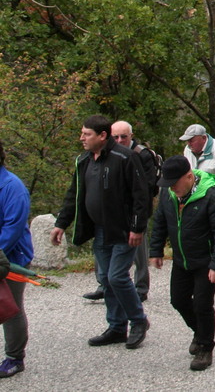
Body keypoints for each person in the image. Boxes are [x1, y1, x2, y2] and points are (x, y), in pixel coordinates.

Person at [51, 115, 150, 349]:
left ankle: (138, 321)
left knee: (116, 276)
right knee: (105, 278)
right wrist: (61, 223)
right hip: (100, 229)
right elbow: (73, 194)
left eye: (87, 134)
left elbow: (141, 195)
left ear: (102, 136)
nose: (81, 138)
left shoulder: (124, 158)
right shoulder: (84, 160)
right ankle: (116, 327)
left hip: (124, 230)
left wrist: (137, 227)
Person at [149, 156, 215, 371]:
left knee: (202, 304)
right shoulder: (169, 193)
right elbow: (160, 221)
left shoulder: (211, 195)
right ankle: (200, 331)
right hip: (181, 259)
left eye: (174, 183)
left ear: (189, 177)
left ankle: (206, 346)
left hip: (206, 260)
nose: (171, 188)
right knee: (178, 300)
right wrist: (156, 250)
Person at [83, 120, 158, 303]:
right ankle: (104, 285)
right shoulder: (101, 156)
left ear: (131, 136)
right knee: (103, 253)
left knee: (138, 252)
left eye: (124, 136)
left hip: (133, 214)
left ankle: (140, 288)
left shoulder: (141, 155)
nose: (120, 139)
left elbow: (146, 189)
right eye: (116, 136)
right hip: (109, 217)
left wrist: (137, 219)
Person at [0, 141, 32, 378]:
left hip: (12, 258)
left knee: (10, 307)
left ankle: (15, 357)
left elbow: (13, 226)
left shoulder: (12, 186)